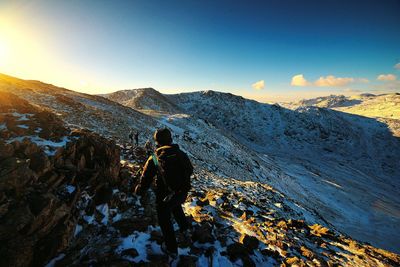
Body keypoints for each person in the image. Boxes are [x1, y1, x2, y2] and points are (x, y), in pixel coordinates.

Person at [135, 128, 193, 257]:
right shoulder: (181, 153)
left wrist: (140, 190)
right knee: (176, 206)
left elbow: (146, 177)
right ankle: (186, 229)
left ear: (157, 142)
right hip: (182, 192)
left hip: (165, 195)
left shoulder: (155, 158)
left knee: (164, 219)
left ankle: (171, 249)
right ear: (170, 139)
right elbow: (190, 169)